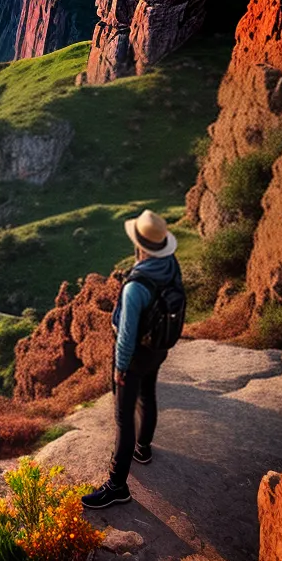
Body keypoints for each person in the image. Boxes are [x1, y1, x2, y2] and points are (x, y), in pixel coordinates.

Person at [81, 209, 183, 510]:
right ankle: (143, 449)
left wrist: (120, 370)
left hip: (136, 354)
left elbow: (126, 336)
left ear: (139, 244)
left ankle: (117, 486)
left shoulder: (136, 286)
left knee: (123, 419)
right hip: (158, 348)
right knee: (148, 395)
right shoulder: (170, 265)